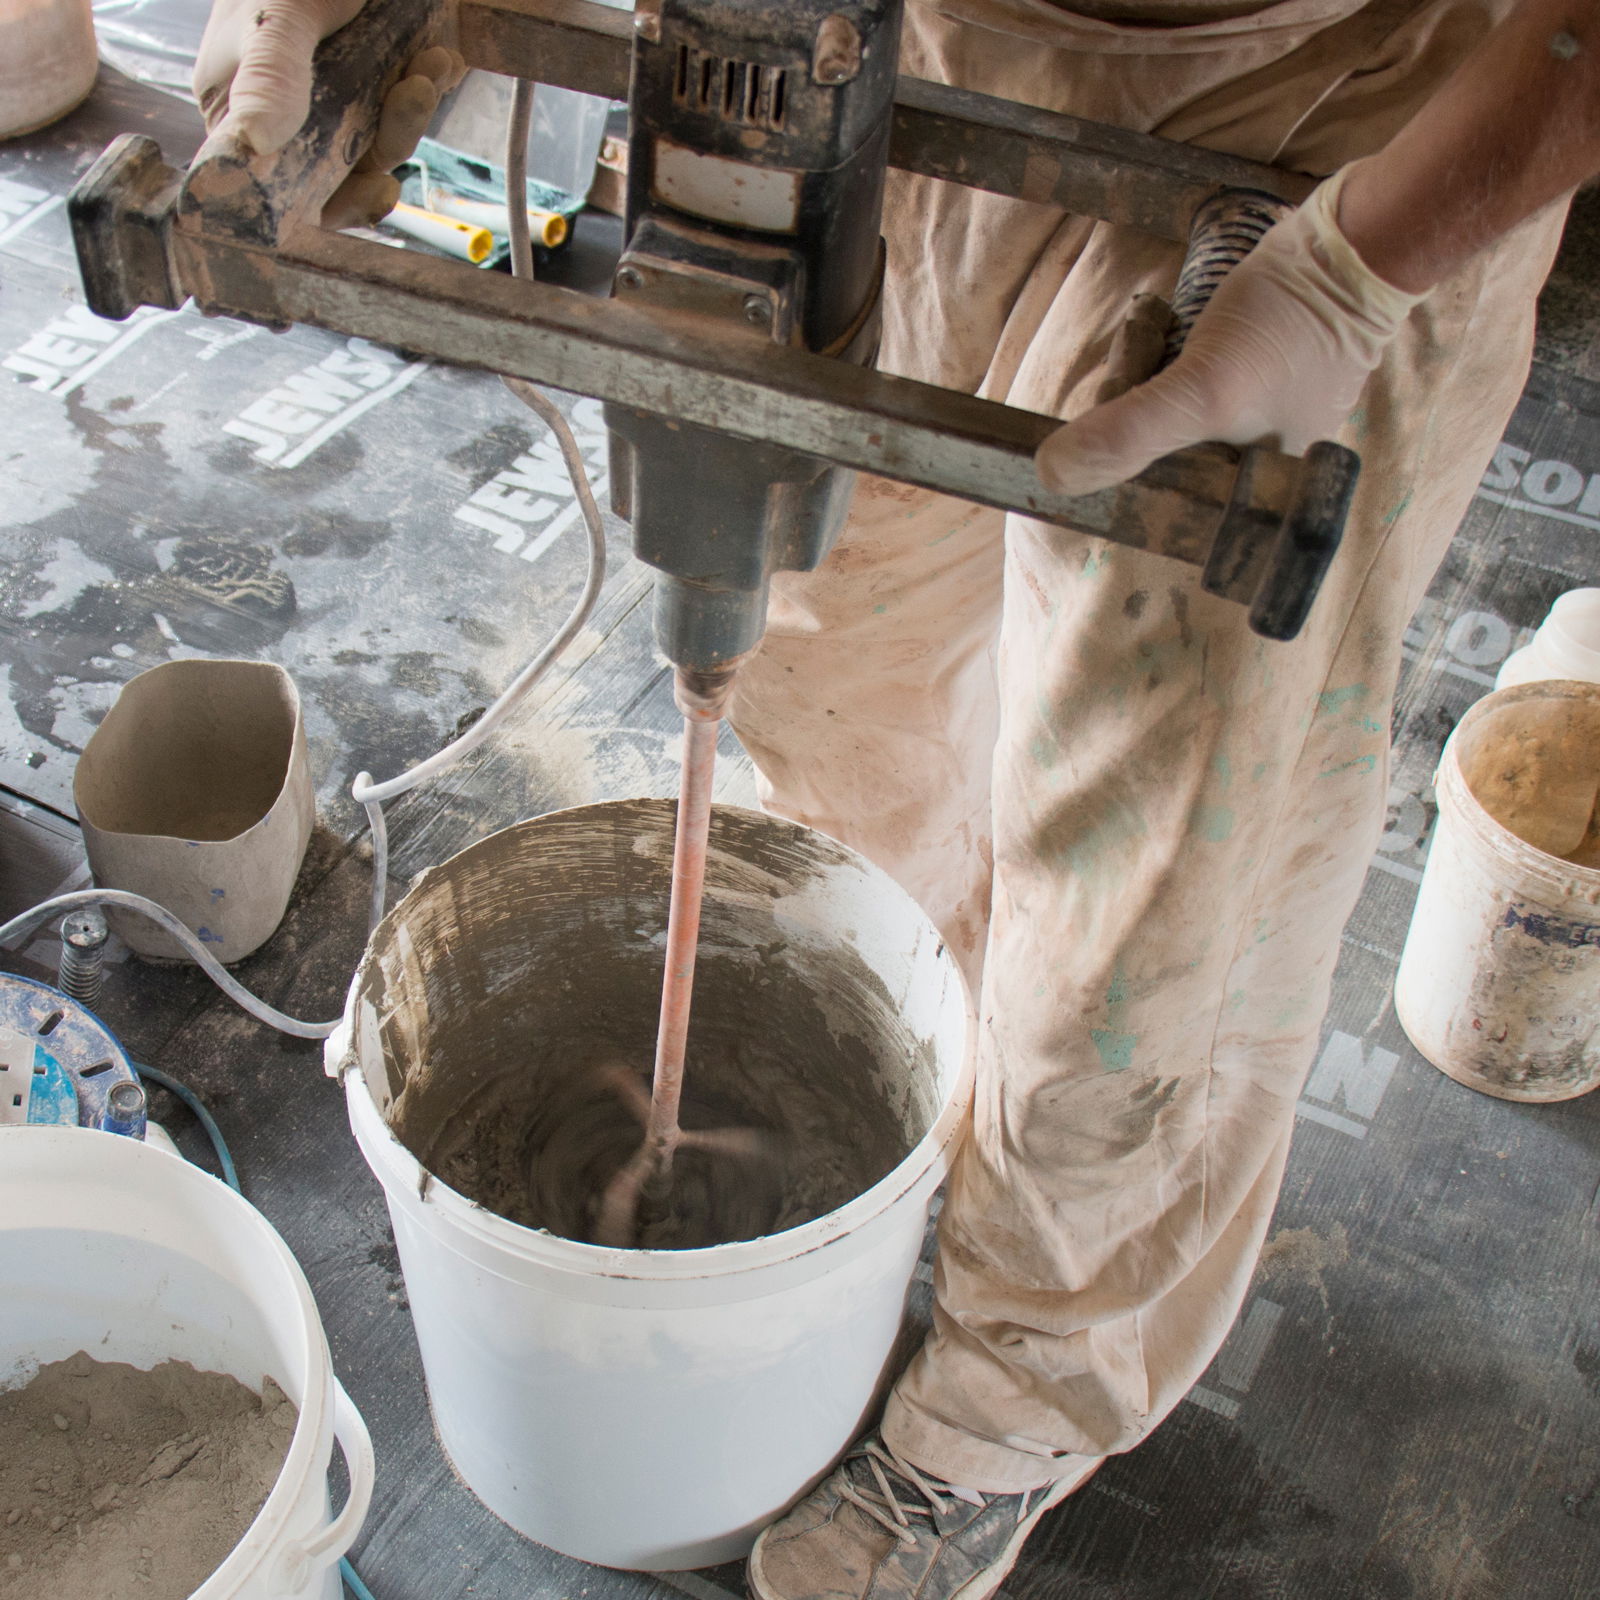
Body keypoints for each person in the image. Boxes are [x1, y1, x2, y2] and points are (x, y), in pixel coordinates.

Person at [192, 2, 1600, 1597]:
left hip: (1344, 134)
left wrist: (1361, 266)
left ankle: (1011, 1411)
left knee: (1141, 931)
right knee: (840, 717)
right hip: (881, 51)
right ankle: (888, 1160)